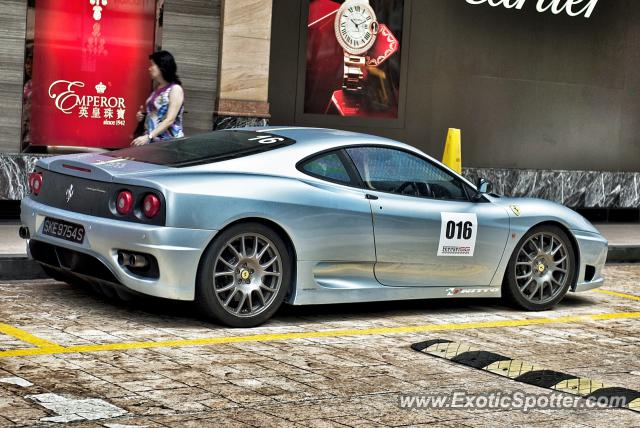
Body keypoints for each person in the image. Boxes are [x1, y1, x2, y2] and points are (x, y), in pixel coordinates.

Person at [131, 50, 184, 146]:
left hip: (168, 143)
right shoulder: (157, 89)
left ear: (162, 66)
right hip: (152, 142)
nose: (149, 69)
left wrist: (149, 136)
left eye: (152, 65)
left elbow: (170, 119)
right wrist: (142, 116)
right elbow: (155, 114)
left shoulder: (175, 89)